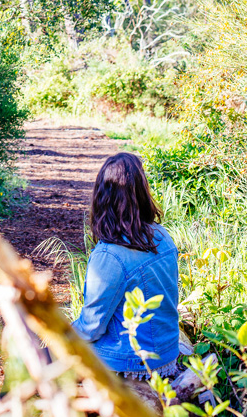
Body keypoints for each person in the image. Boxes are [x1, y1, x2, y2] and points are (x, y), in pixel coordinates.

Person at [72, 152, 180, 379]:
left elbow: (91, 328)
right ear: (142, 191)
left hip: (131, 363)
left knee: (42, 357)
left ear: (102, 196)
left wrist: (58, 335)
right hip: (168, 355)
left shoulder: (109, 256)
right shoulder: (163, 237)